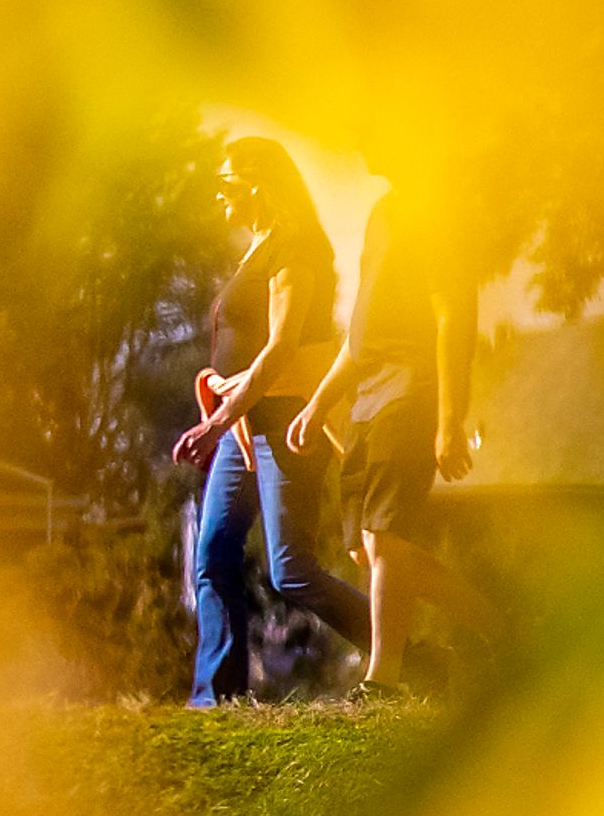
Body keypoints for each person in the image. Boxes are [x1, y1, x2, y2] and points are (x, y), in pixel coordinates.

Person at [170, 136, 371, 704]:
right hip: (243, 423)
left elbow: (282, 347)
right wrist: (225, 407)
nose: (220, 194)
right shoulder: (258, 247)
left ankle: (403, 654)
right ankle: (217, 697)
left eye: (228, 183)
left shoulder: (294, 249)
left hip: (284, 420)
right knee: (213, 552)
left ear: (259, 184)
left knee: (293, 572)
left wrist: (218, 417)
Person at [289, 175, 497, 688]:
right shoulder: (383, 213)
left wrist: (449, 418)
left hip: (410, 390)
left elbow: (454, 318)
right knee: (370, 550)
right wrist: (319, 403)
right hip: (366, 400)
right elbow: (361, 336)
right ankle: (502, 628)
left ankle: (381, 679)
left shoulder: (436, 211)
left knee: (385, 541)